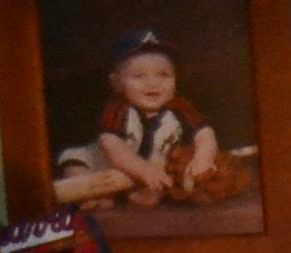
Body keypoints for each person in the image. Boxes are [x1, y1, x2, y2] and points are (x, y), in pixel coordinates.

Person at [50, 33, 249, 211]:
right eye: (139, 76)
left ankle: (123, 194)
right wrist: (143, 169)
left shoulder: (179, 108)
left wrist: (203, 157)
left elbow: (204, 132)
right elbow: (111, 144)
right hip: (105, 165)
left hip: (151, 172)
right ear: (117, 83)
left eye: (163, 74)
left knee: (161, 184)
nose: (153, 83)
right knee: (75, 163)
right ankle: (90, 192)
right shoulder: (119, 108)